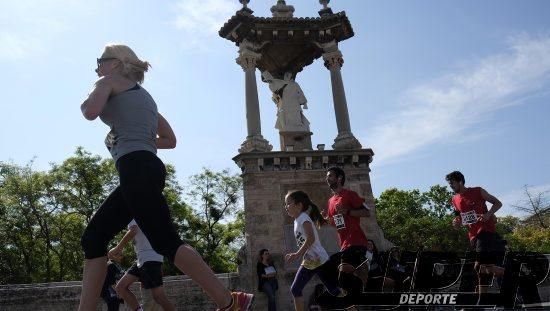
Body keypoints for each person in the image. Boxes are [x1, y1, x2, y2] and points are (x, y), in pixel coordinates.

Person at [79, 43, 253, 311]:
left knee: (166, 241)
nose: (97, 67)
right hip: (144, 167)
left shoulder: (108, 81)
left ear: (115, 63)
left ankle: (230, 301)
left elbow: (90, 111)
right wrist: (136, 138)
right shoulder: (146, 98)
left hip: (136, 167)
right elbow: (170, 140)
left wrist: (94, 91)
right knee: (93, 237)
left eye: (100, 60)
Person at [284, 190, 346, 311]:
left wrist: (297, 254)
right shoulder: (297, 220)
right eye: (285, 204)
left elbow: (311, 238)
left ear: (299, 205)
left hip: (320, 260)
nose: (285, 207)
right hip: (310, 261)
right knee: (295, 289)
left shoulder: (303, 218)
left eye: (288, 203)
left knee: (335, 290)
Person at [445, 171, 505, 295]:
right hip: (473, 236)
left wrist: (488, 214)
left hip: (486, 232)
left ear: (460, 182)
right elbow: (458, 218)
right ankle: (509, 274)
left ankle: (480, 300)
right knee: (482, 269)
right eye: (449, 184)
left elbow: (498, 203)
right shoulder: (454, 199)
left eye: (452, 184)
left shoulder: (478, 191)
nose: (451, 186)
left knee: (479, 266)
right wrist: (456, 224)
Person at [322, 167, 371, 296]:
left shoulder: (350, 195)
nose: (327, 178)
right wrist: (327, 221)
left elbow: (367, 212)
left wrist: (347, 211)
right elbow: (339, 224)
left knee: (343, 278)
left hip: (356, 241)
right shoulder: (330, 201)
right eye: (327, 176)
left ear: (339, 178)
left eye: (330, 176)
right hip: (344, 244)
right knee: (357, 277)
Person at [109, 220, 174, 311]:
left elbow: (133, 230)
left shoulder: (132, 211)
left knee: (159, 296)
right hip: (143, 258)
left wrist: (117, 249)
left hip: (149, 258)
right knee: (120, 288)